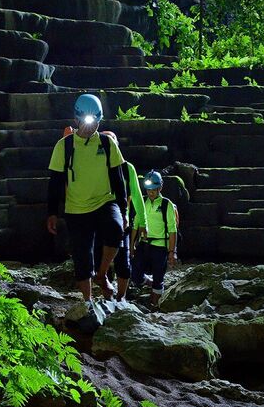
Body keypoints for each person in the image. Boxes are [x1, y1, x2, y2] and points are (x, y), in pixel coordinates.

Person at [46, 94, 128, 301]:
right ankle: (88, 301)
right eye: (86, 121)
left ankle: (101, 276)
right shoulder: (64, 146)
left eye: (95, 121)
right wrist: (52, 213)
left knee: (116, 229)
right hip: (76, 208)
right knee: (82, 258)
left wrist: (124, 212)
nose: (90, 126)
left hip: (104, 201)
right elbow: (55, 181)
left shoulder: (108, 144)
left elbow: (118, 180)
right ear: (76, 120)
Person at [100, 131, 145, 303]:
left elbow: (137, 196)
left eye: (113, 141)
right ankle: (107, 297)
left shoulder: (127, 168)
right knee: (101, 261)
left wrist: (143, 222)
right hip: (100, 222)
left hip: (122, 222)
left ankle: (121, 297)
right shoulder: (95, 167)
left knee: (123, 261)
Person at [131, 170, 178, 309]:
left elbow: (172, 229)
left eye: (153, 189)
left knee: (159, 277)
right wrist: (131, 246)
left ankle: (154, 305)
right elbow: (136, 224)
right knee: (135, 274)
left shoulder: (166, 204)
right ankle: (147, 282)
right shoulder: (143, 202)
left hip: (160, 246)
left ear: (160, 188)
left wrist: (172, 252)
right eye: (148, 189)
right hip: (144, 244)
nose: (150, 192)